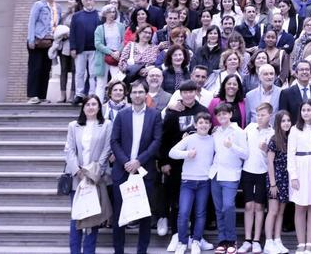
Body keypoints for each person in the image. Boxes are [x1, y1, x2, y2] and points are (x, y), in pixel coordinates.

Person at [110, 81, 163, 254]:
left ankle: (142, 250)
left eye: (141, 92)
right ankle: (119, 250)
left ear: (146, 94)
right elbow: (114, 141)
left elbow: (157, 141)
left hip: (144, 171)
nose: (138, 95)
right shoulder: (122, 115)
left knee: (144, 214)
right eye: (135, 92)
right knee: (119, 213)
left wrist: (139, 161)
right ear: (130, 95)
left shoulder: (154, 115)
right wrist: (126, 161)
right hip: (122, 170)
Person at [159, 80, 209, 250]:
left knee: (197, 205)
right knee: (176, 202)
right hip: (175, 165)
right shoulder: (173, 112)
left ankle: (197, 236)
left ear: (196, 92)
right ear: (180, 94)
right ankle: (176, 235)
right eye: (185, 92)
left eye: (191, 91)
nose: (188, 95)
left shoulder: (202, 110)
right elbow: (164, 138)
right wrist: (164, 162)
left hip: (197, 165)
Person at [65, 95, 113, 254]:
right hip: (77, 179)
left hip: (95, 178)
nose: (91, 107)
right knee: (76, 218)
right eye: (87, 104)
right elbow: (69, 150)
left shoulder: (106, 125)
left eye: (94, 104)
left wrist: (94, 172)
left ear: (99, 107)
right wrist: (77, 171)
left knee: (92, 219)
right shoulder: (73, 126)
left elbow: (107, 150)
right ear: (83, 107)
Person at [168, 111, 215, 254]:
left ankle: (196, 241)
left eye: (207, 123)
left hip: (204, 182)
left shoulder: (213, 139)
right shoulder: (189, 139)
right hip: (188, 181)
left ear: (210, 125)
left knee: (200, 213)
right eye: (200, 122)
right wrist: (187, 154)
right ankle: (182, 242)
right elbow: (172, 152)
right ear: (195, 124)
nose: (204, 125)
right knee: (183, 213)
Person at [208, 103, 248, 250]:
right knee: (219, 209)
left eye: (225, 113)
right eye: (219, 115)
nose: (222, 116)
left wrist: (232, 146)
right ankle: (222, 240)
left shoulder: (239, 132)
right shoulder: (216, 132)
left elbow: (245, 154)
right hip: (215, 173)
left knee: (228, 206)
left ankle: (232, 240)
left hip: (231, 174)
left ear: (230, 114)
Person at [287, 101, 311, 253]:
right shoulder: (294, 130)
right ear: (300, 112)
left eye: (309, 110)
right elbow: (290, 154)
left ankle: (309, 243)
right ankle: (300, 242)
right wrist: (293, 176)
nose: (306, 113)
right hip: (300, 168)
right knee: (300, 206)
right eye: (304, 110)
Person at [242, 102, 275, 254]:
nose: (260, 118)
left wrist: (266, 149)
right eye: (258, 115)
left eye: (263, 115)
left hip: (263, 172)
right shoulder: (249, 128)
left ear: (270, 116)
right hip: (248, 170)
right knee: (249, 205)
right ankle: (247, 239)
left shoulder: (272, 133)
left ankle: (256, 240)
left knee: (259, 206)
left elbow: (273, 156)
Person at [265, 110, 293, 254]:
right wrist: (273, 184)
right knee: (273, 211)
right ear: (278, 123)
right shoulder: (274, 139)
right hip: (275, 178)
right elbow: (270, 163)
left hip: (286, 179)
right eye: (283, 121)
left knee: (281, 212)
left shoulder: (291, 139)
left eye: (288, 120)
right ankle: (268, 241)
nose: (286, 123)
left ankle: (277, 239)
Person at [26, 0, 60, 104]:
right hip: (37, 40)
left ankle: (42, 95)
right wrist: (31, 39)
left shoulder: (57, 7)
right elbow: (32, 22)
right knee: (35, 67)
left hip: (49, 42)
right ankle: (33, 95)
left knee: (46, 69)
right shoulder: (39, 5)